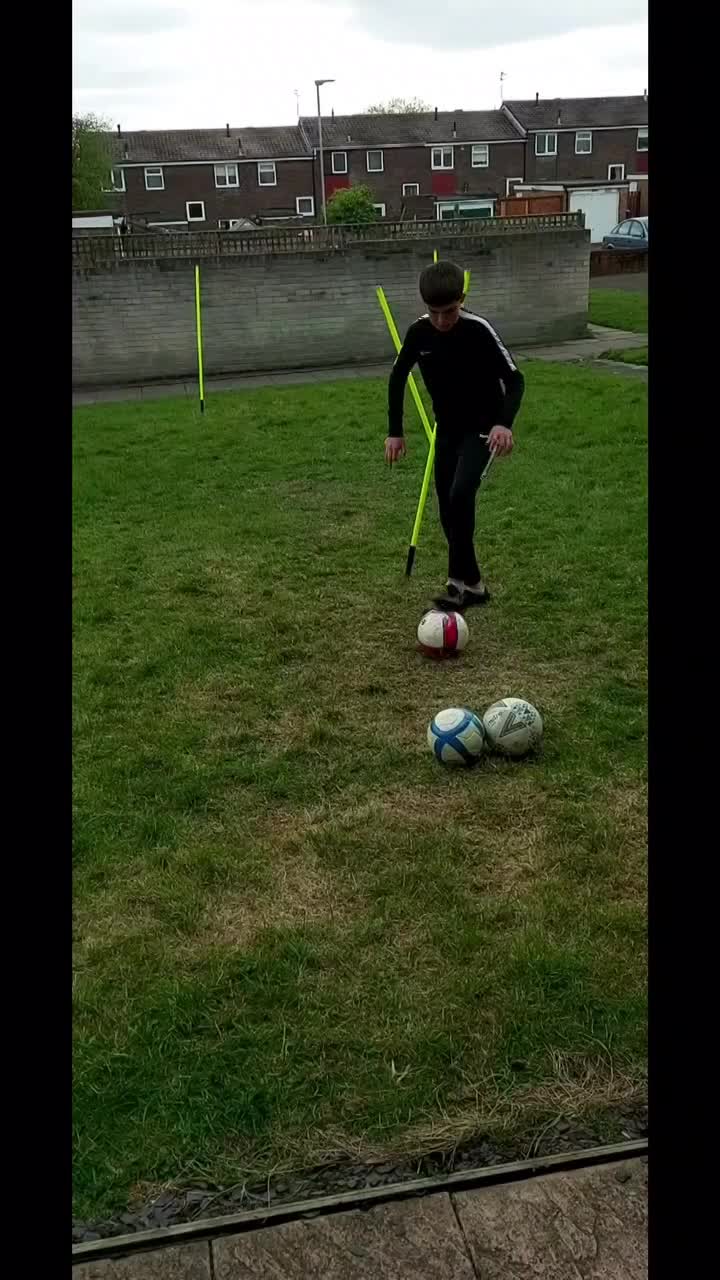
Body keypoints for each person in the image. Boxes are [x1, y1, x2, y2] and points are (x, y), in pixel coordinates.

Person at [385, 260, 524, 610]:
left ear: (461, 299)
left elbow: (515, 380)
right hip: (445, 428)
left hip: (482, 429)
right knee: (448, 509)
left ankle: (457, 584)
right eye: (434, 312)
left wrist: (503, 423)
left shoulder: (478, 330)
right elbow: (397, 376)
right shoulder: (419, 333)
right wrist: (395, 432)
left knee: (461, 494)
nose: (442, 320)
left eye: (449, 311)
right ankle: (472, 585)